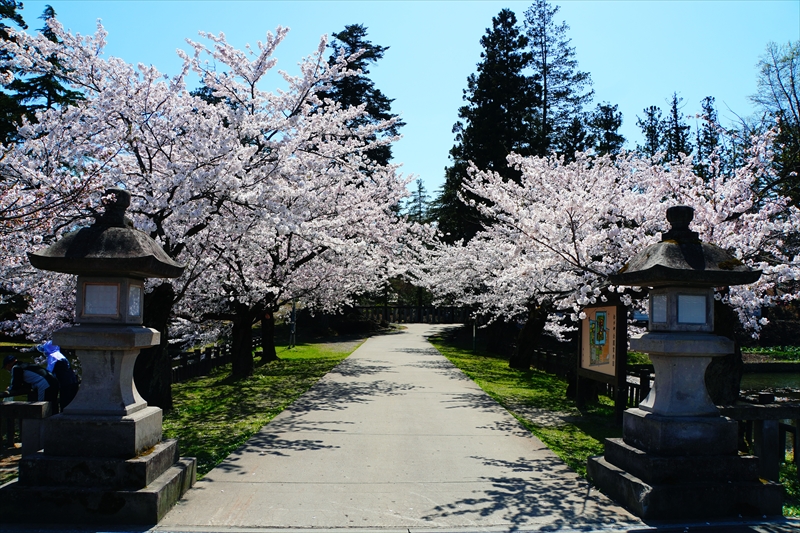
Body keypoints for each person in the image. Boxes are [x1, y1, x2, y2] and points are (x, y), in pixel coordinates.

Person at [37, 341, 79, 410]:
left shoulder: (53, 356)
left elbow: (49, 372)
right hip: (73, 381)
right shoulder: (60, 355)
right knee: (71, 404)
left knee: (65, 404)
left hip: (66, 383)